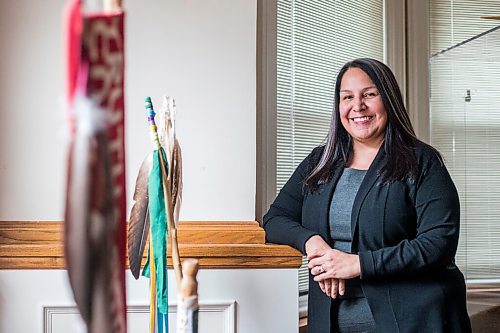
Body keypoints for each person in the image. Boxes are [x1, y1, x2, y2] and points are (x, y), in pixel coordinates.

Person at [263, 58, 472, 333]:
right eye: (347, 97)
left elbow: (438, 243)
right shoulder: (319, 162)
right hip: (330, 322)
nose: (357, 106)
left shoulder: (422, 162)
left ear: (389, 100)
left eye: (369, 94)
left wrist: (358, 264)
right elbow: (275, 219)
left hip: (413, 321)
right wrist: (314, 244)